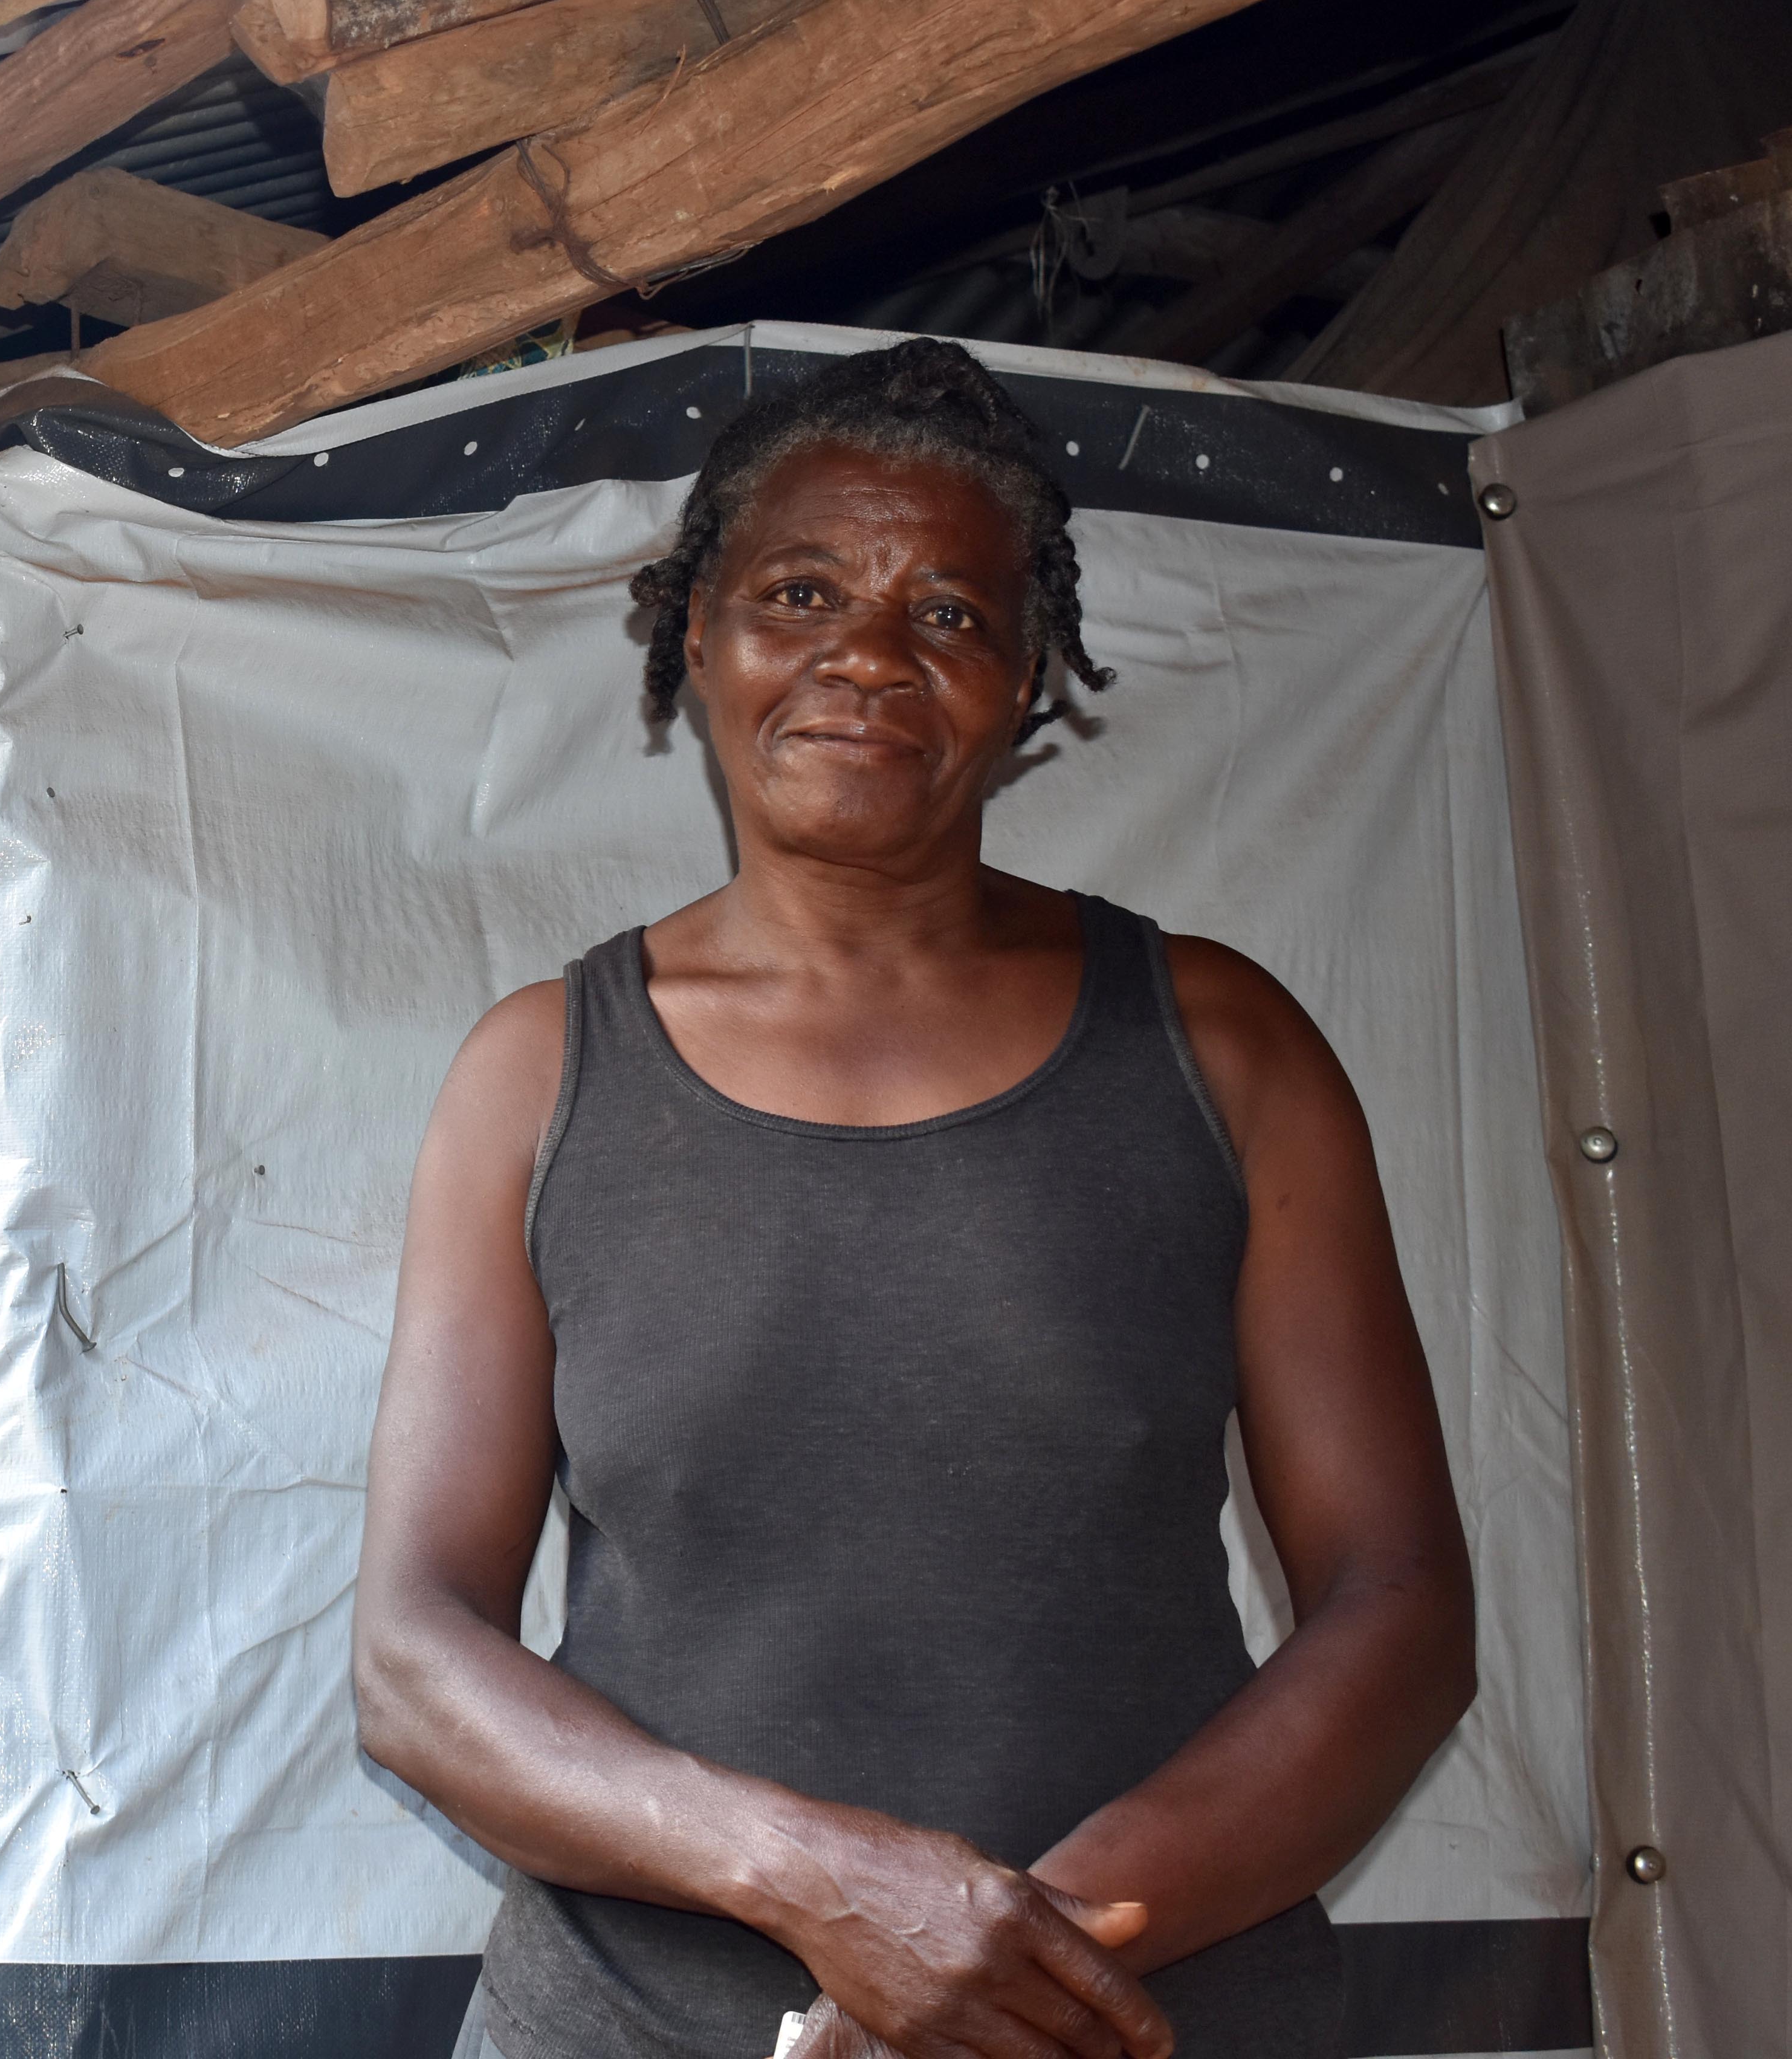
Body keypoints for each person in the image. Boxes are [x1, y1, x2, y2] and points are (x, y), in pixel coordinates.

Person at [353, 340, 1475, 2059]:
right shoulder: (536, 1075)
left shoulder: (1224, 1046)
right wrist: (821, 1885)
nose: (867, 655)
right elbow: (417, 1655)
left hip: (1138, 2017)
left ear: (1032, 679)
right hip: (640, 2027)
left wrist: (1015, 1963)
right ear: (695, 642)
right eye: (801, 593)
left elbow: (1400, 1613)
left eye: (951, 614)